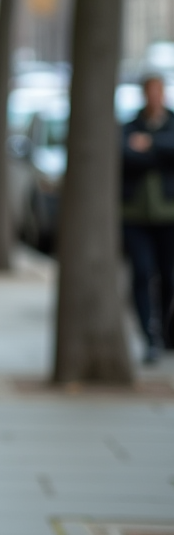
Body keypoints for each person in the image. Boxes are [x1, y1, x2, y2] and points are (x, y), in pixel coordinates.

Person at [121, 73, 174, 365]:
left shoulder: (170, 123)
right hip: (135, 215)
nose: (155, 97)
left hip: (168, 215)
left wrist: (149, 144)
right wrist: (161, 151)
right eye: (150, 92)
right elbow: (125, 155)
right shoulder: (130, 126)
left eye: (159, 92)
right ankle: (148, 335)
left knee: (168, 277)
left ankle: (166, 332)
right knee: (141, 273)